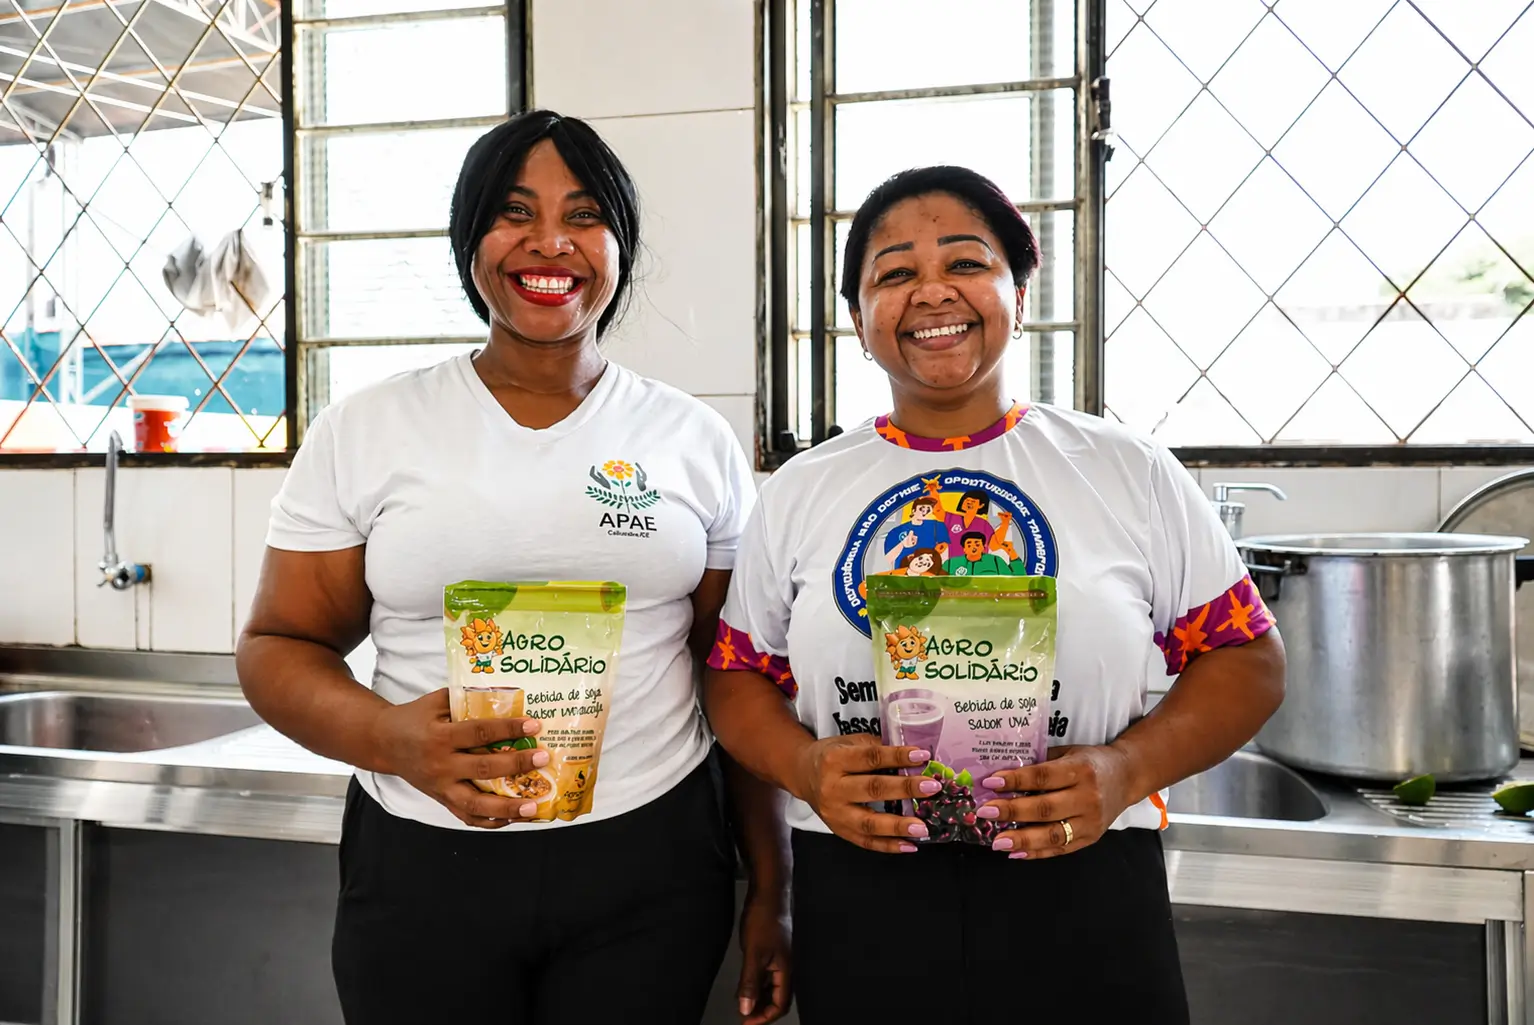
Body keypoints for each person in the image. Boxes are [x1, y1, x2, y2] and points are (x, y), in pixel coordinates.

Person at [237, 110, 790, 1025]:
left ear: (619, 245)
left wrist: (775, 883)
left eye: (583, 215)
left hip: (648, 861)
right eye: (514, 212)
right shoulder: (372, 428)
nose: (549, 243)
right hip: (423, 861)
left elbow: (735, 675)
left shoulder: (692, 439)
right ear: (470, 242)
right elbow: (277, 644)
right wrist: (393, 740)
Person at [702, 165, 1286, 1024]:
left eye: (966, 263)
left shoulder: (1127, 470)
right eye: (894, 273)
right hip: (865, 889)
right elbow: (735, 674)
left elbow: (1247, 657)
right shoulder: (801, 489)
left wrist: (1126, 768)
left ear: (1017, 290)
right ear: (859, 321)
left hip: (1084, 881)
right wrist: (805, 768)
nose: (932, 290)